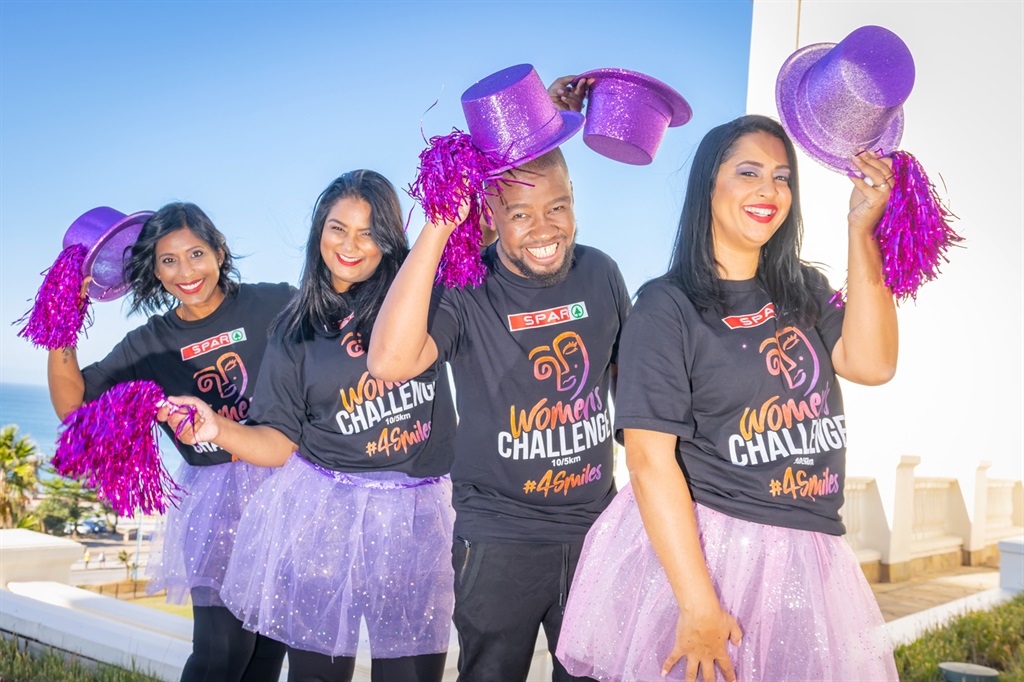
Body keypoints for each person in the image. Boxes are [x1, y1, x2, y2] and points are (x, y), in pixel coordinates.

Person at [555, 114, 900, 681]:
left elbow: (873, 363)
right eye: (749, 172)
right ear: (708, 184)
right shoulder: (666, 307)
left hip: (808, 552)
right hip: (712, 554)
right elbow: (648, 461)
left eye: (782, 177)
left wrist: (861, 232)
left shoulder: (804, 290)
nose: (770, 190)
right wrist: (698, 605)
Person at [165, 170, 458, 682]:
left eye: (368, 232)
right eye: (337, 228)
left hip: (415, 518)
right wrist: (216, 429)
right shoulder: (293, 329)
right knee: (316, 675)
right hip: (325, 517)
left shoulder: (424, 300)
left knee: (411, 675)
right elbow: (279, 442)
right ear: (319, 231)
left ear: (390, 238)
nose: (349, 245)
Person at [369, 125, 631, 682]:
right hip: (498, 537)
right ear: (489, 214)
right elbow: (389, 362)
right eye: (520, 214)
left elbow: (625, 385)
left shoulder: (601, 272)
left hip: (594, 531)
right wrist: (441, 223)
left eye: (557, 207)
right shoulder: (465, 289)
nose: (544, 228)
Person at [47, 202, 292, 682]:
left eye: (196, 253)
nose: (186, 272)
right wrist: (62, 319)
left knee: (267, 653)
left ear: (219, 251)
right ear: (155, 271)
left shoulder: (278, 302)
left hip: (289, 491)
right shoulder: (150, 343)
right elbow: (73, 408)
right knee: (222, 652)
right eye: (169, 260)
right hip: (217, 504)